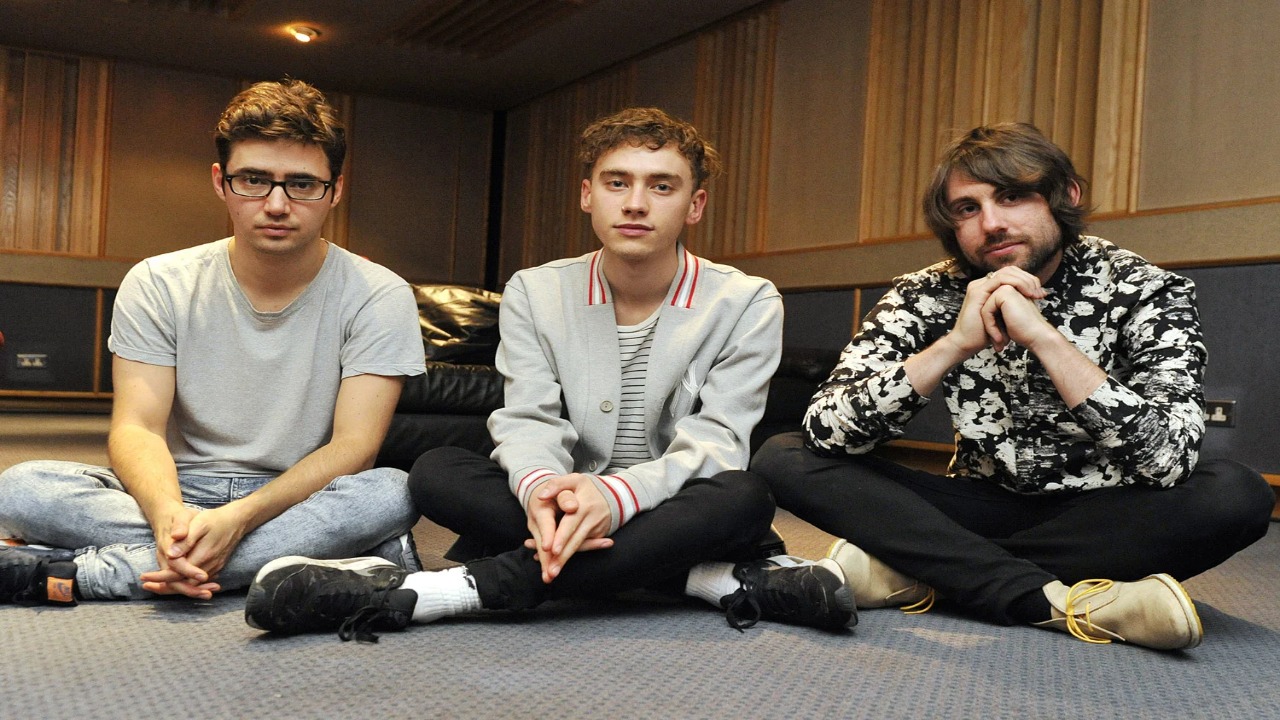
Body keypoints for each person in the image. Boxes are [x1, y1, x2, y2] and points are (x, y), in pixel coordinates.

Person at [242, 107, 856, 640]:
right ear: (588, 195)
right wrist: (540, 489)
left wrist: (616, 497)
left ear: (694, 204)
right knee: (435, 471)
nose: (636, 203)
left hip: (676, 504)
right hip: (562, 506)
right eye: (617, 182)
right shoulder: (535, 291)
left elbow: (717, 440)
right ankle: (699, 579)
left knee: (744, 494)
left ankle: (452, 590)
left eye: (662, 186)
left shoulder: (747, 301)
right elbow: (528, 418)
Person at [752, 122, 1274, 651]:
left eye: (1012, 196)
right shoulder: (923, 293)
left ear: (1065, 196)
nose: (992, 223)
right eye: (967, 208)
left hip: (1104, 512)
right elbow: (829, 430)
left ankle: (929, 573)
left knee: (1236, 494)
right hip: (978, 500)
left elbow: (1167, 459)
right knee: (785, 455)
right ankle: (1052, 601)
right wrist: (954, 344)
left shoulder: (1145, 290)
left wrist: (1045, 339)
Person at [0, 79, 426, 606]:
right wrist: (168, 517)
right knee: (22, 486)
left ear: (335, 190)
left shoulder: (379, 293)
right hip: (172, 489)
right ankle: (320, 558)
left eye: (302, 184)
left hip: (298, 496)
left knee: (392, 492)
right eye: (254, 180)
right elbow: (137, 428)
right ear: (220, 182)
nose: (276, 204)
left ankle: (93, 574)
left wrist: (240, 519)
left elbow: (353, 448)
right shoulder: (158, 281)